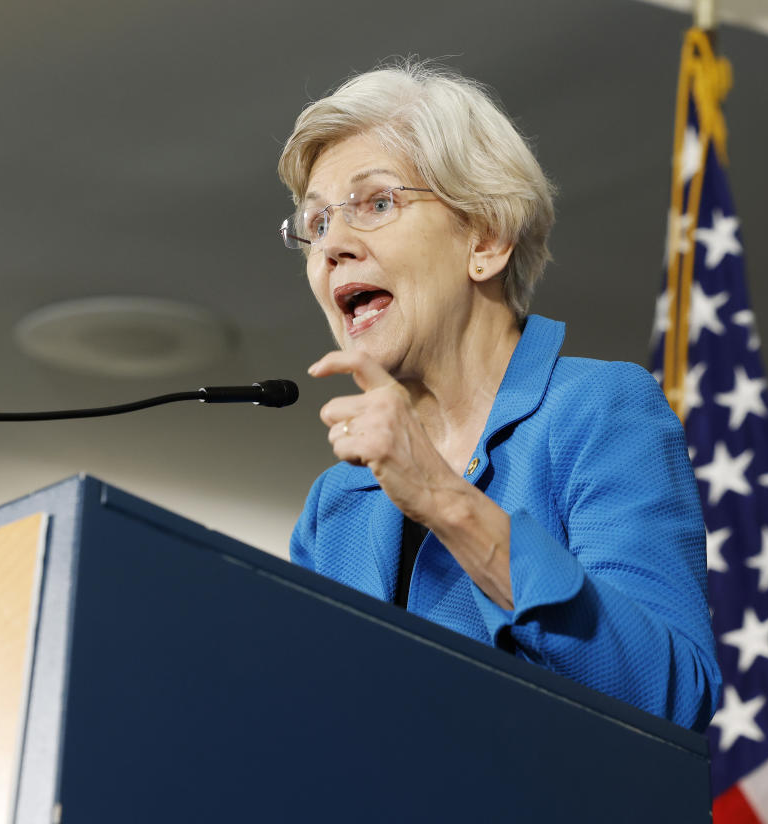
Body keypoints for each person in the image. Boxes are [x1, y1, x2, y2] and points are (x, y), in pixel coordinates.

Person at [278, 61, 721, 732]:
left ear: (484, 239)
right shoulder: (336, 507)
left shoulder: (601, 411)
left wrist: (444, 502)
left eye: (375, 203)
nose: (331, 245)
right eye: (314, 224)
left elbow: (670, 698)